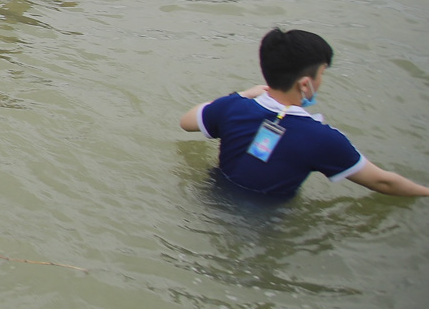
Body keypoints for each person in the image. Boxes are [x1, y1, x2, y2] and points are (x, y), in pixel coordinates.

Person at [179, 29, 429, 202]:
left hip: (209, 199)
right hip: (263, 224)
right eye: (322, 74)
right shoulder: (321, 138)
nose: (322, 81)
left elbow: (187, 121)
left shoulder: (233, 106)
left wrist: (243, 94)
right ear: (305, 84)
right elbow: (383, 183)